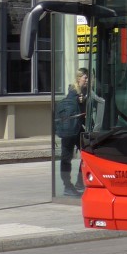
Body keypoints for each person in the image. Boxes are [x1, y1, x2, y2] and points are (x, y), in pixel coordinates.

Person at [55, 67, 88, 196]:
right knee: (68, 158)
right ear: (79, 78)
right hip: (71, 130)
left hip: (77, 129)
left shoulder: (83, 92)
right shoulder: (74, 93)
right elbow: (73, 111)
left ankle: (77, 183)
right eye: (85, 77)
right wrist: (80, 101)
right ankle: (69, 185)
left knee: (85, 156)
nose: (87, 80)